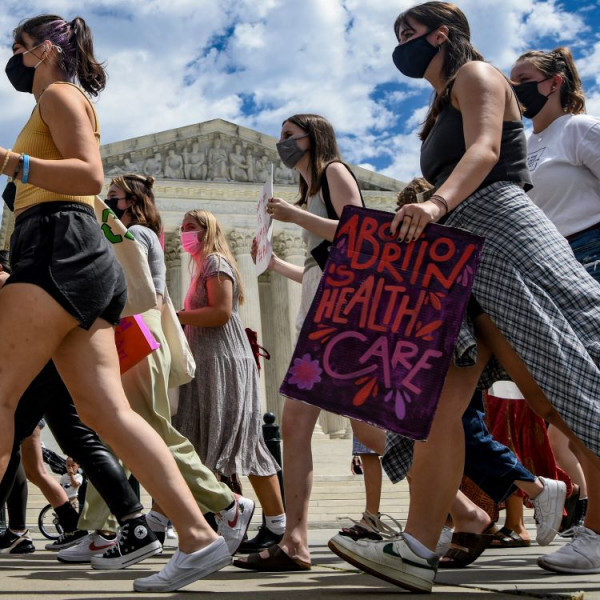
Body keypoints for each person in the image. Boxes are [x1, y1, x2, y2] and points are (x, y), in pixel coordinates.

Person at [327, 3, 600, 592]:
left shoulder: (477, 75)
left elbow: (484, 152)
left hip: (500, 232)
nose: (400, 44)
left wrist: (433, 205)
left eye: (409, 32)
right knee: (434, 402)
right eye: (395, 34)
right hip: (459, 251)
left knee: (561, 379)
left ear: (442, 34)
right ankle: (418, 546)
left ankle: (598, 528)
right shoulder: (439, 101)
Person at [0, 15, 230, 593]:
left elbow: (89, 174)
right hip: (78, 255)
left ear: (46, 49)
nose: (14, 59)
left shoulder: (57, 93)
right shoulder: (54, 98)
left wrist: (9, 162)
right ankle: (199, 536)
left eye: (19, 47)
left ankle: (196, 528)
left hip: (56, 244)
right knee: (107, 412)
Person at [57, 174, 256, 566]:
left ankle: (225, 503)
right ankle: (101, 528)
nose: (105, 205)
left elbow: (136, 290)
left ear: (131, 202)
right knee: (115, 432)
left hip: (137, 332)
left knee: (149, 429)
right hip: (132, 332)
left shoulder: (137, 235)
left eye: (112, 198)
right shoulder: (139, 234)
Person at [232, 113, 379, 572]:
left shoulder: (334, 173)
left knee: (367, 426)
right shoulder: (310, 192)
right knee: (299, 423)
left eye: (288, 137)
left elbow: (360, 233)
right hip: (321, 304)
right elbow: (318, 265)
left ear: (312, 139)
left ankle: (465, 508)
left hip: (341, 312)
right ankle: (295, 540)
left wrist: (292, 215)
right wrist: (274, 264)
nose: (282, 145)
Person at [511, 46, 600, 573]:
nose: (514, 88)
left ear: (555, 82)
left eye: (523, 78)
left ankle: (594, 532)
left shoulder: (579, 130)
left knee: (587, 401)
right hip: (546, 270)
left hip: (589, 259)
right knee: (563, 407)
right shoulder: (526, 145)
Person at [173, 209, 286, 552]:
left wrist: (174, 316)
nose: (184, 234)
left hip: (224, 363)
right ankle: (219, 518)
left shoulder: (216, 263)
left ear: (208, 230)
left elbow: (221, 313)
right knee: (199, 442)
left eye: (191, 228)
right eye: (182, 229)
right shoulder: (202, 268)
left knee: (245, 443)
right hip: (208, 363)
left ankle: (276, 524)